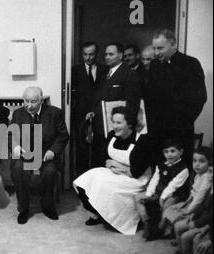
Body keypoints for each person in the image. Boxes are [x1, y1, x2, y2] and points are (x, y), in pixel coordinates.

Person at [74, 106, 152, 235]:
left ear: (130, 124)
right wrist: (115, 166)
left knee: (103, 185)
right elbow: (105, 160)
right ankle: (96, 213)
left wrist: (117, 166)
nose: (115, 126)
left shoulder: (141, 141)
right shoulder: (112, 135)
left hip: (136, 179)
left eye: (119, 123)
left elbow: (136, 171)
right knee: (84, 180)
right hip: (115, 171)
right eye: (113, 122)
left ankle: (116, 220)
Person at [10, 87, 69, 224]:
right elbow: (10, 134)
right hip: (25, 154)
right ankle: (23, 209)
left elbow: (63, 135)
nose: (29, 105)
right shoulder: (18, 114)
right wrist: (16, 146)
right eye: (26, 101)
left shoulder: (55, 113)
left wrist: (52, 151)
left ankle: (47, 206)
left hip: (45, 154)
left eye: (33, 102)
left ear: (41, 101)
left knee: (50, 171)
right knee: (18, 169)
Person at [149, 29, 207, 167]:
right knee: (159, 169)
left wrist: (182, 122)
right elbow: (151, 96)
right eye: (154, 48)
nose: (156, 53)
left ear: (173, 45)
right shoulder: (155, 65)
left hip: (180, 130)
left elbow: (199, 97)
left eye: (160, 48)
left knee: (180, 171)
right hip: (158, 129)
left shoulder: (191, 64)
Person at [87, 43, 141, 167]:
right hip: (101, 126)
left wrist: (128, 129)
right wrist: (93, 111)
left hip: (118, 128)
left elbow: (132, 105)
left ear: (120, 56)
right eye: (106, 54)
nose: (107, 57)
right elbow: (100, 99)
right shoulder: (105, 74)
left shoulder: (129, 74)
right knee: (100, 160)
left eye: (111, 54)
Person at [135, 138, 189, 240]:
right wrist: (149, 194)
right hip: (159, 192)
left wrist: (162, 198)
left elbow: (173, 186)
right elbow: (155, 179)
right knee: (138, 198)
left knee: (167, 205)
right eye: (166, 152)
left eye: (173, 151)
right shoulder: (161, 165)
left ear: (181, 152)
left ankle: (162, 229)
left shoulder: (183, 168)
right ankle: (147, 223)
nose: (169, 154)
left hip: (174, 194)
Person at [156, 147, 212, 239]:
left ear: (208, 163)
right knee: (169, 209)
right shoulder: (198, 175)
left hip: (198, 206)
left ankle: (163, 231)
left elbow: (199, 198)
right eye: (195, 161)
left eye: (202, 162)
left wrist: (189, 210)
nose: (197, 164)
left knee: (178, 215)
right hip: (190, 202)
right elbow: (193, 192)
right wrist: (186, 202)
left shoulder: (206, 178)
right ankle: (162, 229)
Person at [71, 41, 108, 175]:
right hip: (80, 115)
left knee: (99, 149)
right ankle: (82, 181)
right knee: (82, 149)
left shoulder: (105, 70)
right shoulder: (74, 71)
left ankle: (98, 179)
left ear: (96, 54)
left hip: (100, 114)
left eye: (91, 54)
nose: (88, 57)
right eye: (85, 54)